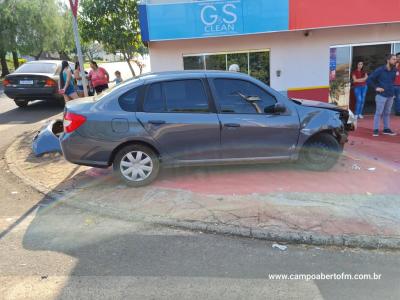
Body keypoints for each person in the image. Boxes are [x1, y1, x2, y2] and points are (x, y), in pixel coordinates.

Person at [367, 54, 397, 137]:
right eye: (393, 59)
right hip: (381, 95)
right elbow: (369, 79)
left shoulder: (394, 70)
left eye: (395, 59)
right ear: (388, 60)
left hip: (390, 95)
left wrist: (393, 93)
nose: (395, 61)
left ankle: (386, 129)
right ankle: (375, 130)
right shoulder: (380, 70)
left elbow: (392, 82)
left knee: (387, 113)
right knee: (378, 113)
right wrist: (376, 87)